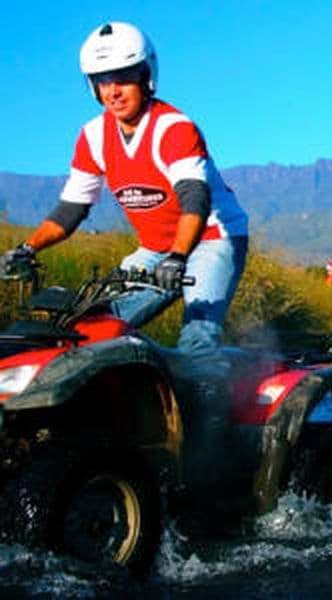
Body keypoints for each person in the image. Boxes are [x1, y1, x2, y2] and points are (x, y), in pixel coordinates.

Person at [0, 22, 249, 474]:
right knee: (95, 325)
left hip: (212, 239)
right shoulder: (93, 137)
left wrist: (177, 258)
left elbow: (195, 197)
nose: (114, 90)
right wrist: (26, 248)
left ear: (146, 76)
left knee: (197, 339)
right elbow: (71, 209)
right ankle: (127, 424)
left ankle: (211, 452)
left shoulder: (173, 127)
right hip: (156, 247)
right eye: (102, 81)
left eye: (123, 77)